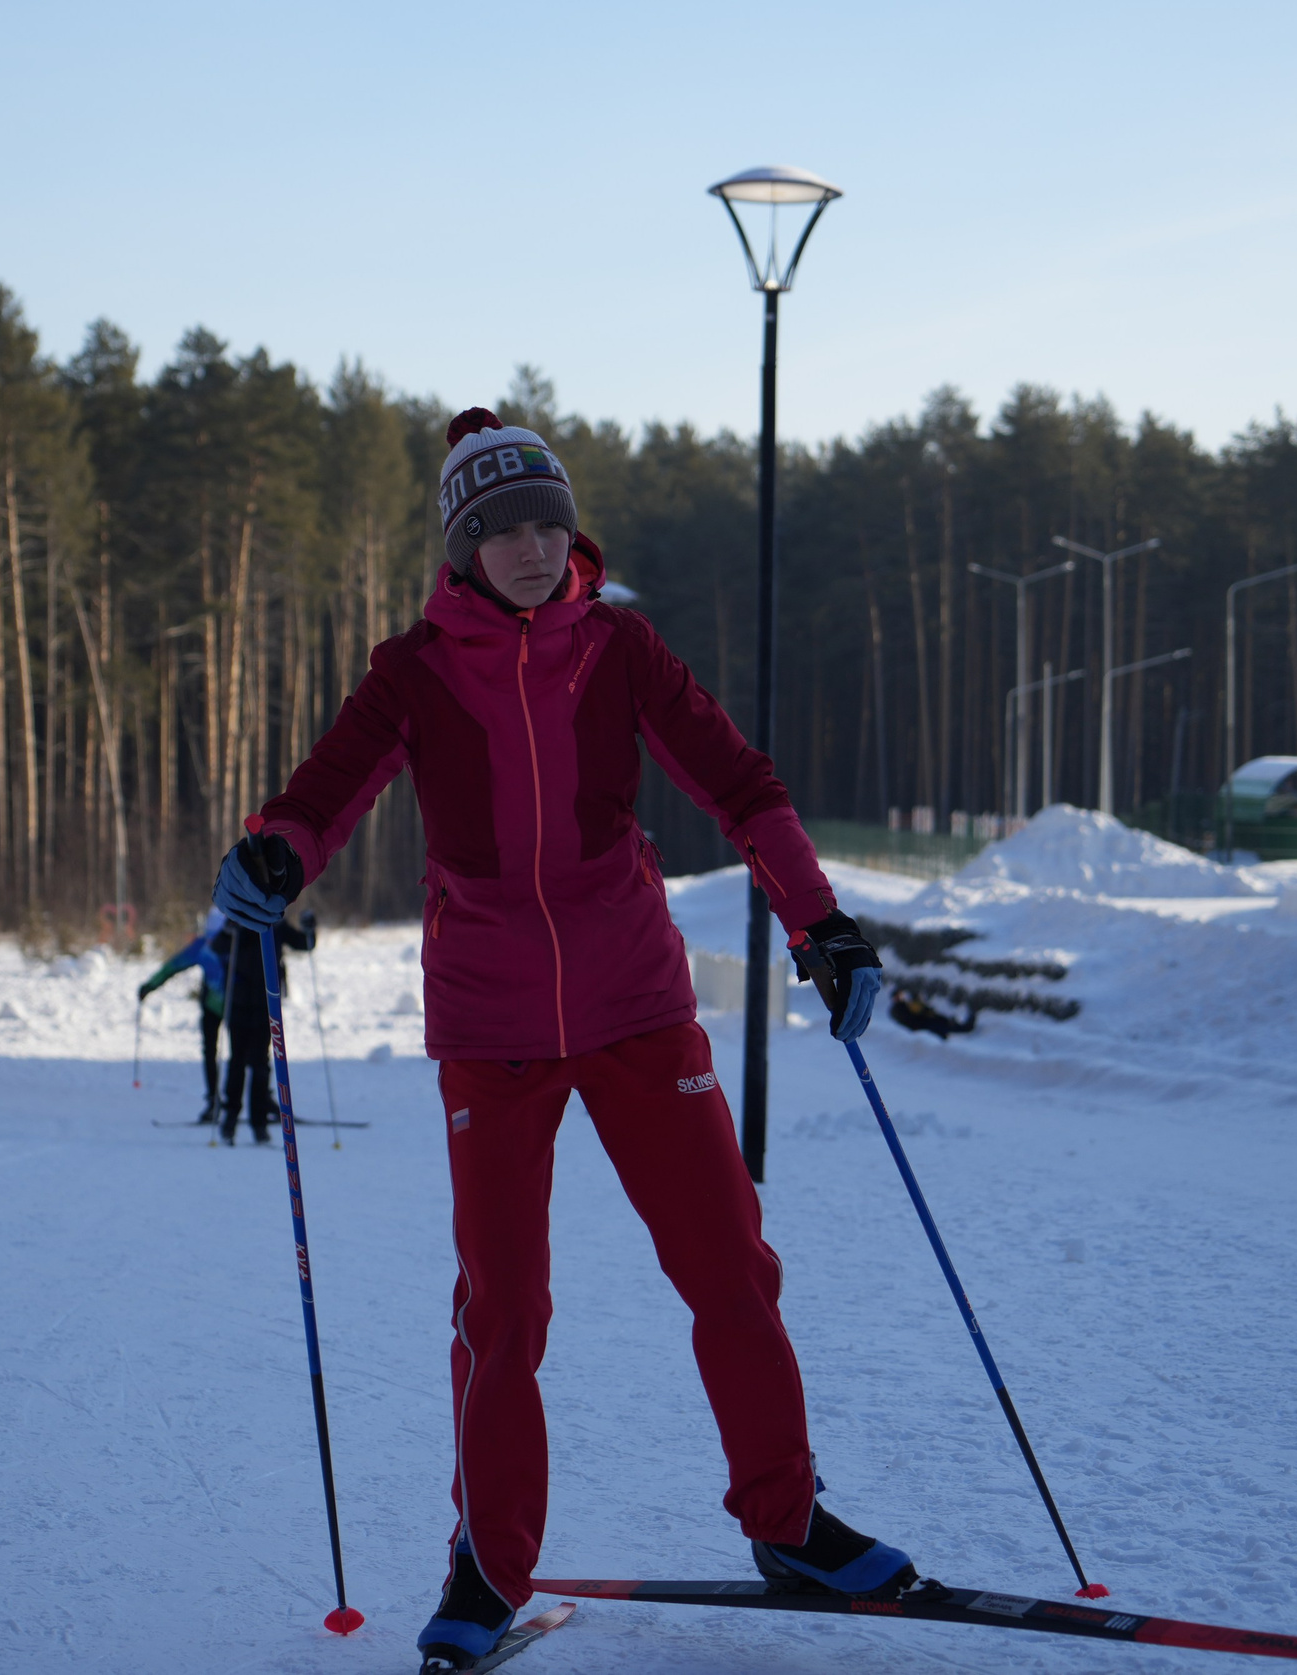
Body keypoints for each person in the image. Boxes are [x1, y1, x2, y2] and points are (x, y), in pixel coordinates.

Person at [213, 408, 903, 1671]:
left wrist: (823, 925)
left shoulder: (620, 649)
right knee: (503, 1308)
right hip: (493, 1027)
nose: (532, 548)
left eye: (547, 522)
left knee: (728, 1267)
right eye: (500, 529)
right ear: (460, 548)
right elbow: (319, 800)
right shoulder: (409, 671)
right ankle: (486, 1569)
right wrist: (273, 854)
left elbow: (741, 786)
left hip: (638, 1003)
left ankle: (788, 1518)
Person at [211, 909, 314, 1144]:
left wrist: (310, 928)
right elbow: (218, 946)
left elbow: (304, 943)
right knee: (237, 1061)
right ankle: (230, 1121)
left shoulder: (275, 922)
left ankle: (259, 1124)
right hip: (239, 1003)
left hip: (267, 1005)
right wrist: (228, 933)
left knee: (260, 1064)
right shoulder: (239, 917)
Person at [138, 907, 229, 1122]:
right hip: (223, 1005)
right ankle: (220, 1101)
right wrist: (150, 986)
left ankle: (222, 1102)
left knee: (223, 1054)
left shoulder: (213, 944)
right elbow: (174, 966)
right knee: (229, 1055)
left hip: (228, 1004)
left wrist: (150, 986)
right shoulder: (211, 944)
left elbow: (172, 967)